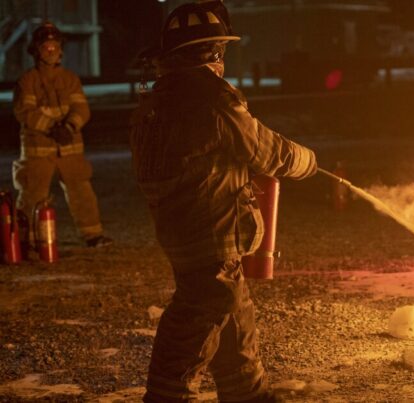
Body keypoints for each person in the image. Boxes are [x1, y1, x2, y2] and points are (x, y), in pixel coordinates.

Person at [129, 1, 317, 401]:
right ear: (213, 53)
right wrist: (307, 161)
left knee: (234, 314)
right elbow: (265, 151)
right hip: (213, 229)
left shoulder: (156, 100)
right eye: (219, 53)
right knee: (197, 317)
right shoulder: (214, 97)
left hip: (179, 229)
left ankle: (249, 395)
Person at [12, 22, 113, 249]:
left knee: (82, 193)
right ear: (36, 50)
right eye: (46, 47)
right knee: (31, 195)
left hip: (69, 148)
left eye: (54, 46)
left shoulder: (70, 79)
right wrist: (51, 127)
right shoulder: (27, 81)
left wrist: (68, 127)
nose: (51, 51)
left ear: (61, 49)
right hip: (39, 150)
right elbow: (24, 111)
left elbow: (82, 109)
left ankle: (93, 235)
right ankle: (23, 241)